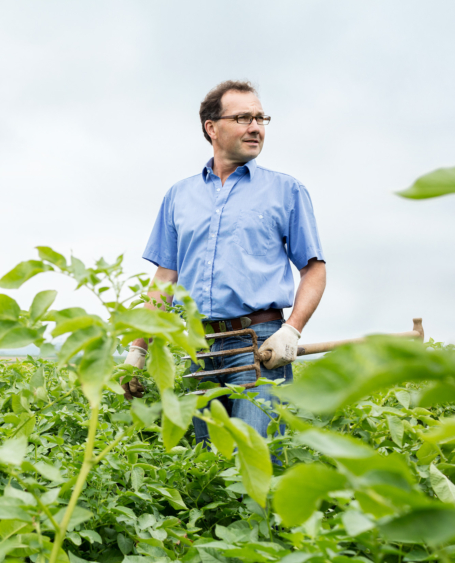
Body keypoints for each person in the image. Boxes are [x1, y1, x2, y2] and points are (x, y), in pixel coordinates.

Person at [123, 80, 326, 444]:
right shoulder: (179, 196)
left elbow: (314, 269)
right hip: (197, 348)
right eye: (243, 117)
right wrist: (138, 348)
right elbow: (165, 277)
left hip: (258, 346)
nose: (255, 127)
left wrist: (292, 330)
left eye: (261, 118)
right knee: (208, 469)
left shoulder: (286, 190)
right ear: (211, 128)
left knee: (256, 460)